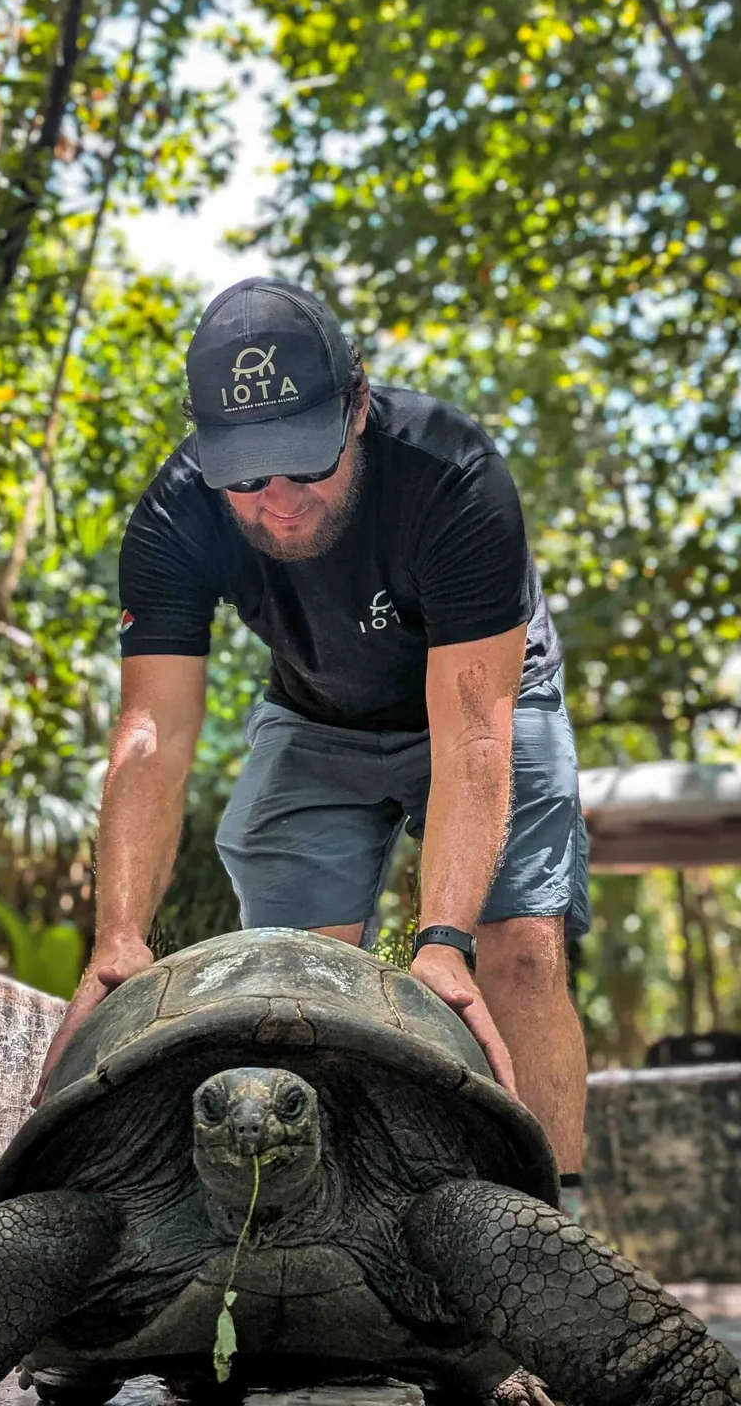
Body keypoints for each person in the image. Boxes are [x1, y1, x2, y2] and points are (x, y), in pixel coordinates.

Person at [33, 277, 590, 1182]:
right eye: (248, 476)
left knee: (518, 950)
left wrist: (443, 942)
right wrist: (118, 937)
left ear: (358, 406)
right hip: (317, 713)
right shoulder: (174, 515)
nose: (280, 500)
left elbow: (474, 735)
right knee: (300, 987)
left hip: (485, 697)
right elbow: (152, 736)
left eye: (304, 462)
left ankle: (552, 1227)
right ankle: (329, 1228)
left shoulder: (454, 475)